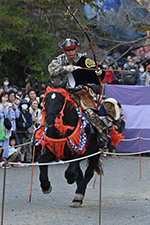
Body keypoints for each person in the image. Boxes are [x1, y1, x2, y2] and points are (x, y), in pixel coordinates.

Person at [47, 37, 117, 141]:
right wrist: (64, 69)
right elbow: (51, 70)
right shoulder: (59, 60)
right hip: (62, 91)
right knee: (50, 108)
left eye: (72, 49)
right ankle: (44, 131)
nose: (71, 52)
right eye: (68, 50)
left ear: (76, 49)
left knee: (90, 113)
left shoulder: (83, 60)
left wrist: (99, 74)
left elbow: (96, 70)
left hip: (79, 92)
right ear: (64, 51)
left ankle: (100, 134)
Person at [0, 91, 14, 160]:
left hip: (6, 126)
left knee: (6, 142)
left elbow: (11, 117)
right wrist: (3, 108)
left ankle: (4, 158)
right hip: (1, 126)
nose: (5, 99)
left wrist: (9, 110)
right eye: (3, 97)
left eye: (6, 97)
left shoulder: (8, 105)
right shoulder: (0, 105)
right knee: (1, 142)